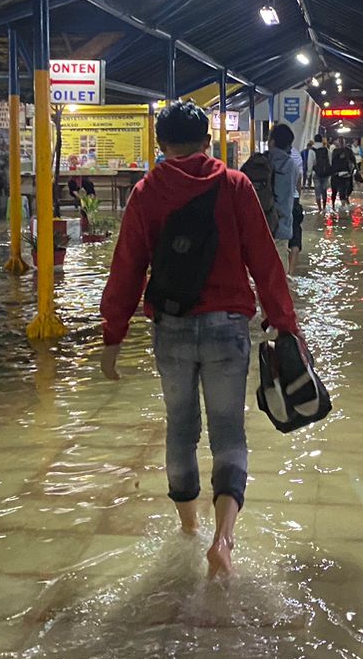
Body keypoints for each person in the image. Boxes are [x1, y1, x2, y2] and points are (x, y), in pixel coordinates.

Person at [100, 101, 301, 579]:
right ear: (210, 142)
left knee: (180, 426)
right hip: (228, 326)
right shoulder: (234, 186)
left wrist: (114, 334)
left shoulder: (147, 192)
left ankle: (188, 531)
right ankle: (223, 540)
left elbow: (126, 267)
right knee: (228, 429)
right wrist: (285, 321)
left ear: (160, 145)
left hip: (171, 328)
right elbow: (264, 261)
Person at [263, 123, 302, 275]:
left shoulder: (259, 161)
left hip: (259, 225)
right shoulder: (292, 165)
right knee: (279, 279)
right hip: (281, 226)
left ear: (271, 142)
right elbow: (295, 189)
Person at [306, 134, 331, 211]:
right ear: (321, 140)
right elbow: (330, 162)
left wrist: (308, 174)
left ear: (314, 140)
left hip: (316, 173)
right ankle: (324, 207)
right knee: (324, 190)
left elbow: (310, 163)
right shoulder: (326, 150)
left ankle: (319, 208)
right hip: (325, 173)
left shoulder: (311, 150)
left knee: (317, 190)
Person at [329, 138, 356, 208]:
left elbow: (332, 162)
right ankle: (343, 202)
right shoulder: (348, 151)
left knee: (336, 190)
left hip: (337, 173)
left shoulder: (335, 151)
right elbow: (353, 160)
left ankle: (334, 206)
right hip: (346, 173)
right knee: (346, 188)